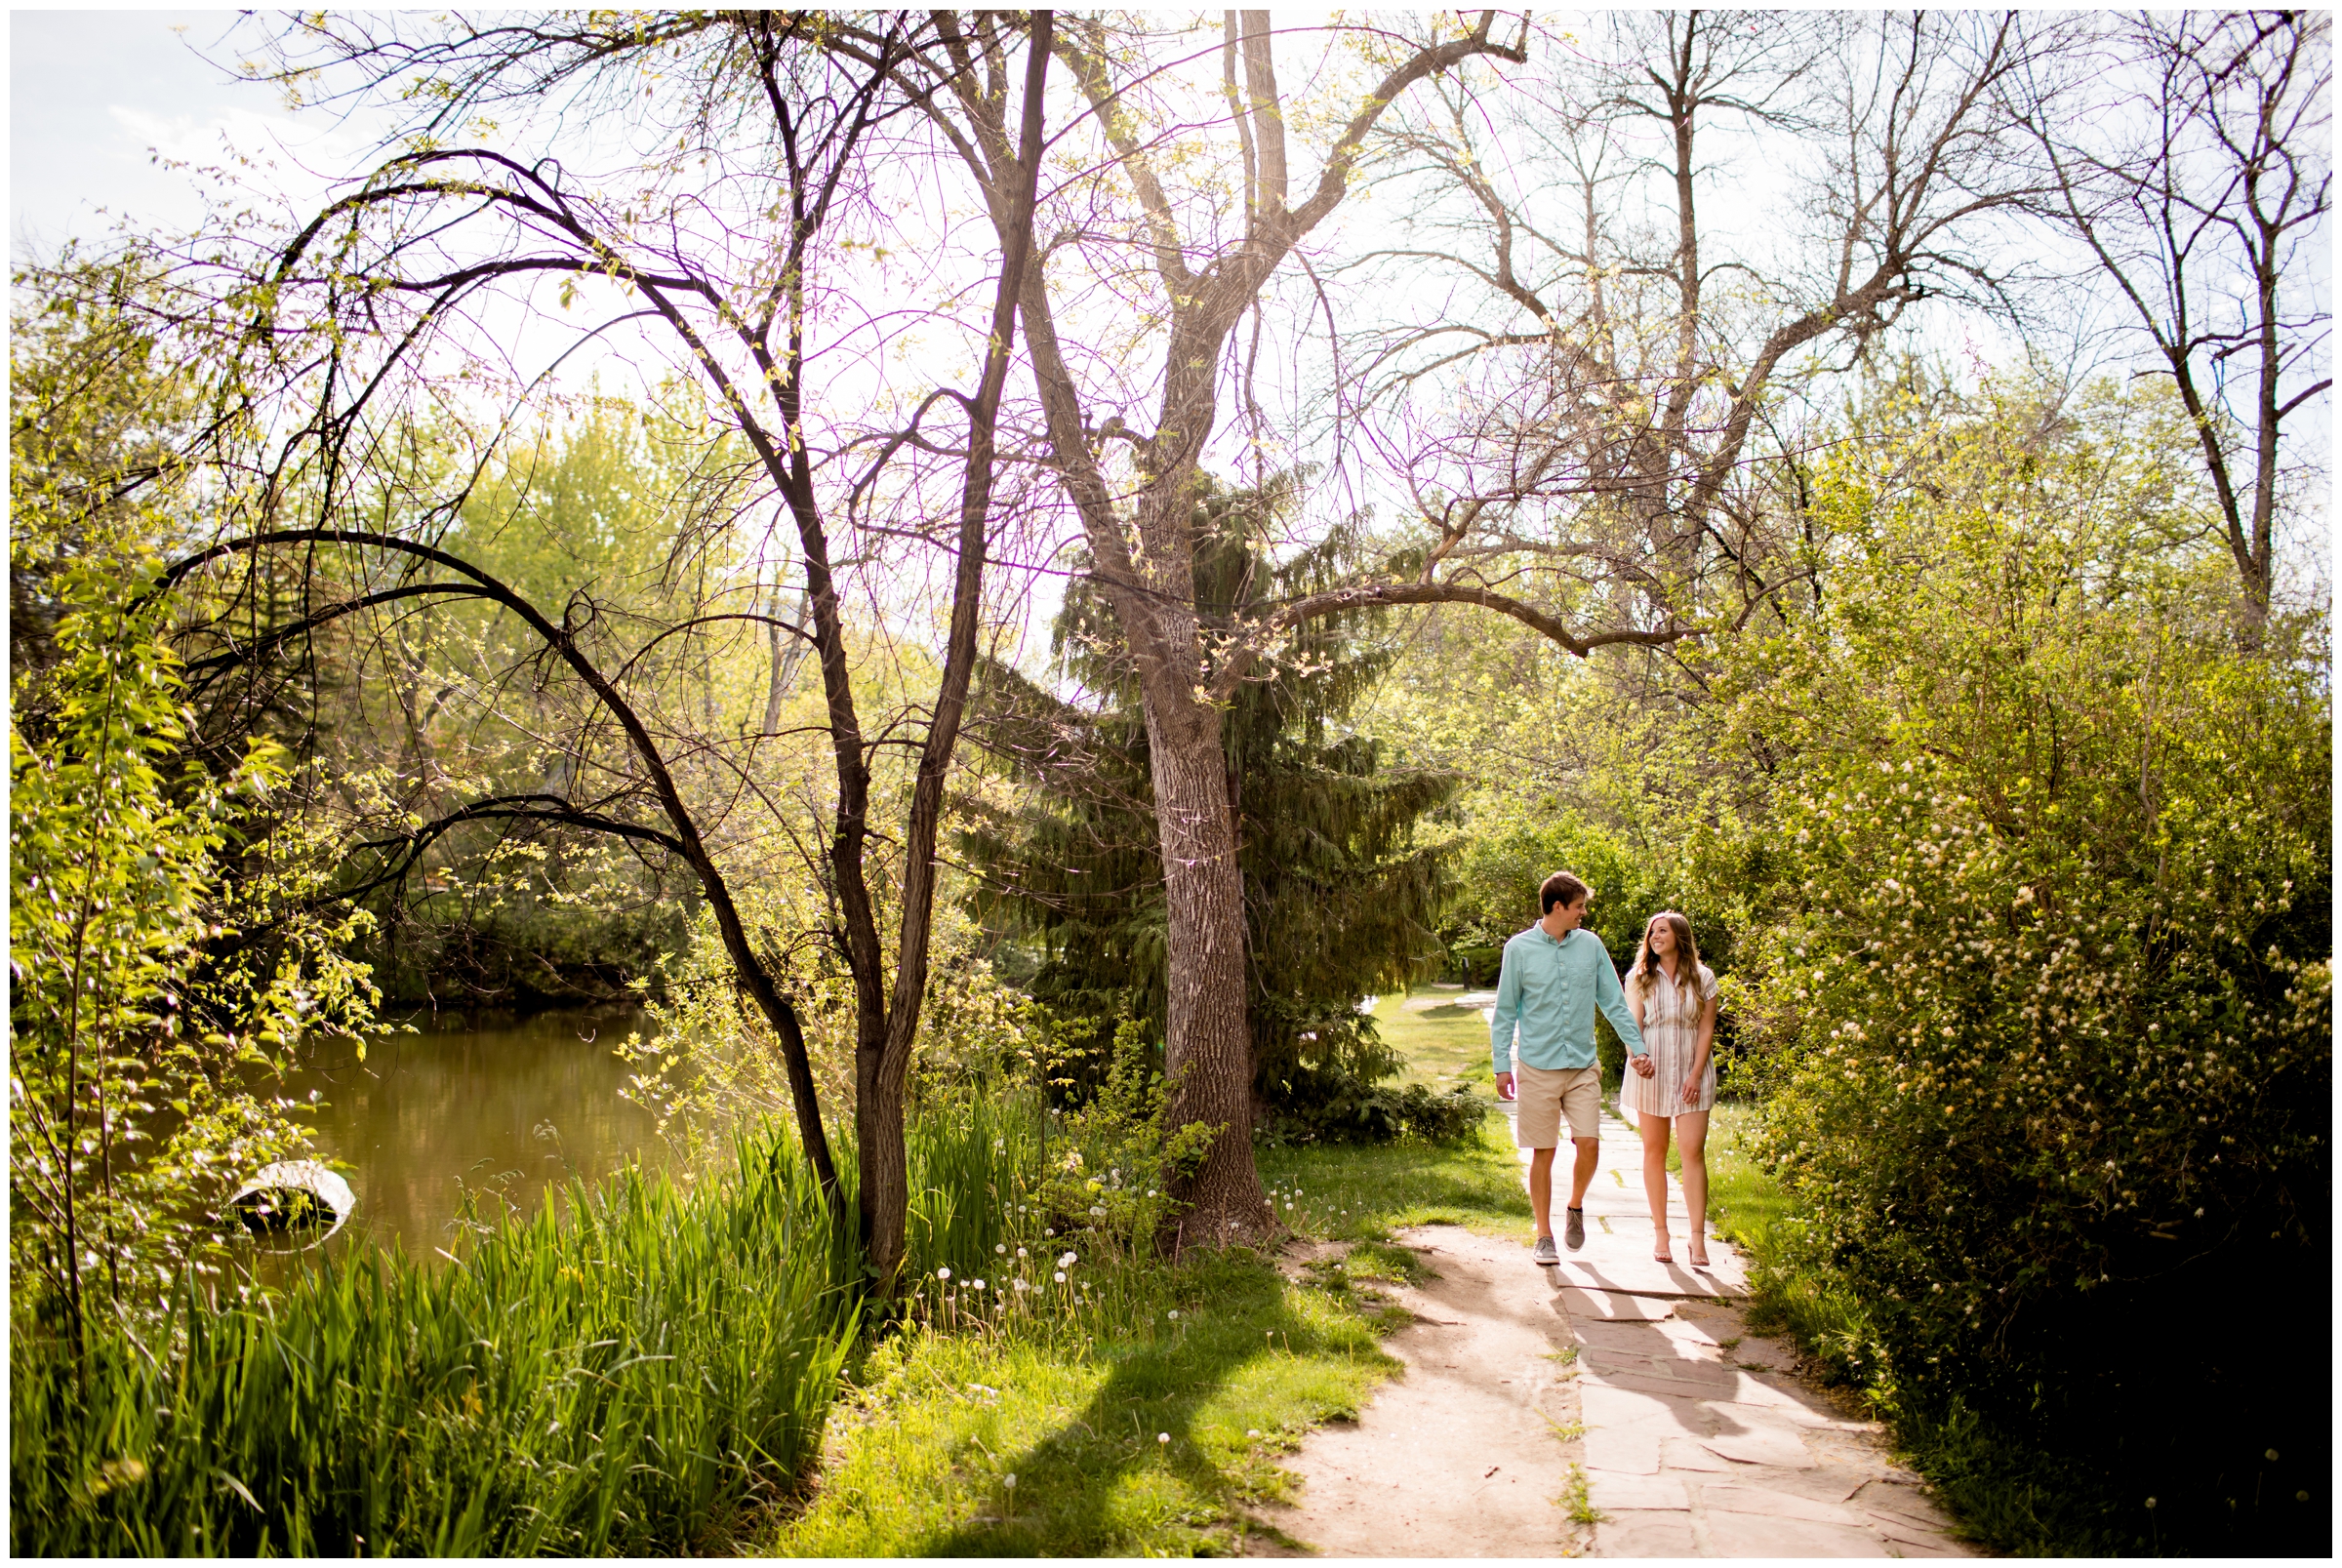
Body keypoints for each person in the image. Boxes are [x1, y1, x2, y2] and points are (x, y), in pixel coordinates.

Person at [1491, 871, 1650, 1266]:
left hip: (1581, 1064)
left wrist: (1637, 1048)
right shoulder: (1519, 949)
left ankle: (1575, 1206)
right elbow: (1505, 1010)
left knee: (1590, 1145)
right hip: (1537, 1066)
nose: (1583, 913)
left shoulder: (1590, 946)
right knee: (1543, 1152)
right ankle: (1544, 1235)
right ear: (1557, 907)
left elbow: (1614, 1002)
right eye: (1579, 906)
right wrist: (1501, 1065)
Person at [1620, 910, 1719, 1267]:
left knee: (1693, 1152)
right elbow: (1632, 1023)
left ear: (1679, 935)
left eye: (1662, 931)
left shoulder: (1703, 978)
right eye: (1651, 933)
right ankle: (1661, 1232)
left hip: (1693, 1072)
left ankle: (1697, 1239)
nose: (1654, 937)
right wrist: (1638, 1056)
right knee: (1655, 1150)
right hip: (1652, 1070)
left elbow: (1706, 1029)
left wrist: (1695, 1075)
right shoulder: (1639, 977)